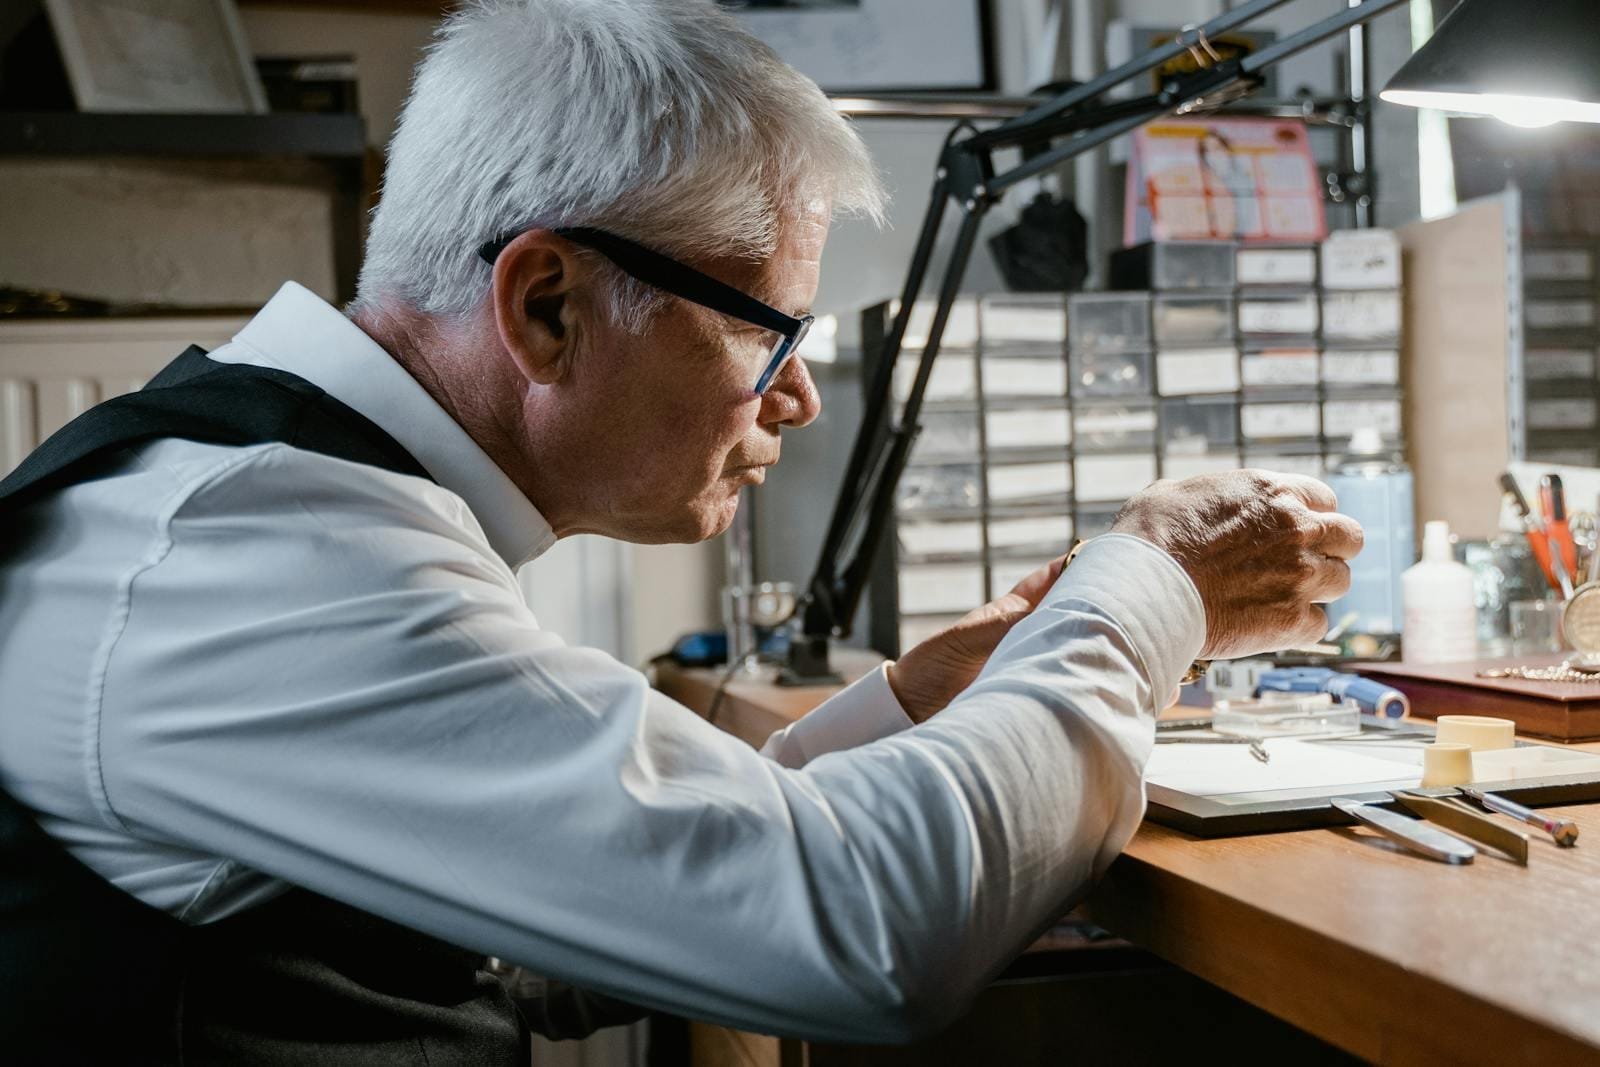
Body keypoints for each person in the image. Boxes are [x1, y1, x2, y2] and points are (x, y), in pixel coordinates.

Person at [0, 0, 1361, 1061]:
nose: (806, 394)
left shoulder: (284, 504)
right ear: (547, 305)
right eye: (770, 332)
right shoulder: (257, 563)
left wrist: (908, 702)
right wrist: (1156, 583)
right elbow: (865, 932)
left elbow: (530, 937)